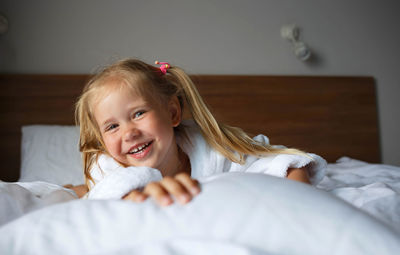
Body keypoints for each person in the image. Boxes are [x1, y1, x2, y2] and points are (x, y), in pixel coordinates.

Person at [71, 58, 325, 206]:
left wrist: (300, 198)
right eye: (112, 126)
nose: (129, 133)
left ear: (172, 113)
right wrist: (135, 196)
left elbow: (281, 162)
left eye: (138, 114)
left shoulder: (213, 150)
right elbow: (105, 200)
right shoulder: (108, 167)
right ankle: (75, 187)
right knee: (84, 190)